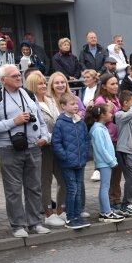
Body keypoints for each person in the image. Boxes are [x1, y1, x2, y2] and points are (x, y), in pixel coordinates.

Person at [0, 65, 51, 237]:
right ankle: (18, 225)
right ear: (2, 80)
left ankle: (35, 222)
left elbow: (41, 120)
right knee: (13, 190)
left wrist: (44, 136)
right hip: (9, 148)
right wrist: (14, 121)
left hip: (33, 146)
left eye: (18, 75)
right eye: (13, 76)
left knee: (34, 187)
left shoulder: (28, 94)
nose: (18, 77)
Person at [25, 71, 65, 228]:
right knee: (45, 181)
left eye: (44, 83)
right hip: (43, 147)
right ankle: (48, 213)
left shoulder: (50, 99)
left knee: (63, 179)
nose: (43, 86)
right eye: (39, 83)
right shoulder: (30, 103)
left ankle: (61, 210)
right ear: (33, 86)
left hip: (57, 144)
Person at [51, 93, 90, 229]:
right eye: (72, 104)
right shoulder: (60, 123)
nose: (76, 106)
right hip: (68, 162)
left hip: (80, 162)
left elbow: (86, 139)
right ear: (63, 106)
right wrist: (65, 156)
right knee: (72, 189)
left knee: (78, 189)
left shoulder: (80, 121)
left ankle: (77, 216)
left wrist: (84, 155)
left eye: (76, 104)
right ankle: (70, 217)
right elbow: (56, 143)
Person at [86, 103, 124, 222]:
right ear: (102, 115)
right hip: (104, 163)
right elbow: (101, 148)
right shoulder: (97, 129)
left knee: (105, 187)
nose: (111, 114)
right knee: (105, 187)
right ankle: (106, 212)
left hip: (106, 162)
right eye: (108, 112)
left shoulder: (101, 127)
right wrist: (111, 161)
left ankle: (104, 211)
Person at [94, 73, 123, 211]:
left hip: (119, 138)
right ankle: (111, 202)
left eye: (116, 83)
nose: (115, 86)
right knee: (110, 174)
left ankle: (117, 199)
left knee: (118, 172)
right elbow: (100, 119)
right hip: (109, 139)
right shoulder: (101, 100)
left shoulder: (116, 98)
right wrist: (109, 110)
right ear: (104, 86)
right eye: (112, 84)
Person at [114, 90, 132, 216]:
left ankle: (128, 203)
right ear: (125, 103)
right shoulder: (119, 115)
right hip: (125, 151)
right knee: (130, 179)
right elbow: (129, 115)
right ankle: (125, 204)